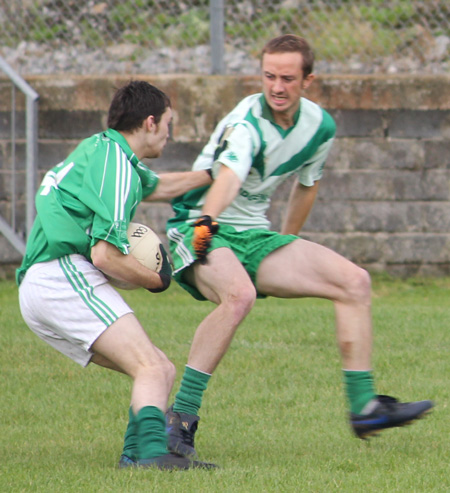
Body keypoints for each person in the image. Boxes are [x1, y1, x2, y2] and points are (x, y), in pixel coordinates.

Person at [164, 34, 433, 460]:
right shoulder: (246, 123)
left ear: (309, 80)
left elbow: (308, 185)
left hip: (254, 234)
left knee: (355, 282)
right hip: (199, 225)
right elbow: (228, 180)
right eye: (269, 76)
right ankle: (179, 421)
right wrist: (204, 232)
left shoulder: (320, 126)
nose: (276, 87)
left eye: (288, 78)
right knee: (239, 296)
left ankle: (364, 408)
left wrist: (284, 244)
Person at [16, 80, 217, 471]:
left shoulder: (104, 151)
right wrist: (157, 279)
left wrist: (213, 174)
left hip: (41, 286)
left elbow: (160, 187)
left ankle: (136, 454)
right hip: (60, 275)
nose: (169, 134)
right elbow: (105, 255)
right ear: (150, 122)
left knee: (161, 368)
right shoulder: (117, 167)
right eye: (168, 125)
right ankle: (150, 456)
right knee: (152, 368)